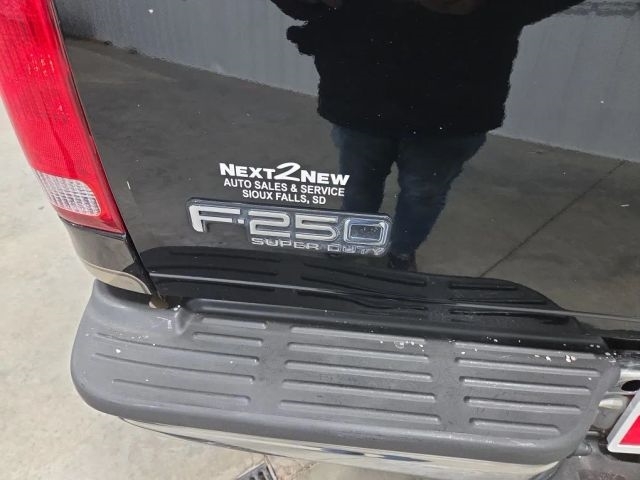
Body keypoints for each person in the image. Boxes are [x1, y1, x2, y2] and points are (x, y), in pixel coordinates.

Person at [271, 0, 584, 270]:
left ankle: (400, 252)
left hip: (448, 109)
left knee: (421, 193)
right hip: (363, 97)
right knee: (362, 186)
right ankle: (356, 244)